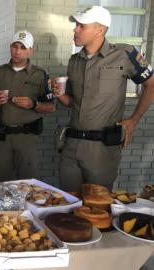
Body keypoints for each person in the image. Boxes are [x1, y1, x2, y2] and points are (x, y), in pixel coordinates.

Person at [53, 6, 154, 192]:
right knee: (67, 204)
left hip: (102, 148)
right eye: (76, 25)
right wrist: (60, 95)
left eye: (81, 26)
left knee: (97, 207)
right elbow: (73, 103)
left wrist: (133, 121)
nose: (75, 29)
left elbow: (151, 85)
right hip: (71, 144)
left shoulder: (124, 55)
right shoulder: (74, 61)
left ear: (100, 29)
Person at [0, 30, 55, 182]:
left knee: (26, 183)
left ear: (30, 51)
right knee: (2, 182)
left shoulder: (39, 74)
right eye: (14, 46)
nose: (17, 52)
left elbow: (51, 107)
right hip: (2, 138)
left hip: (26, 138)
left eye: (23, 48)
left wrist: (33, 104)